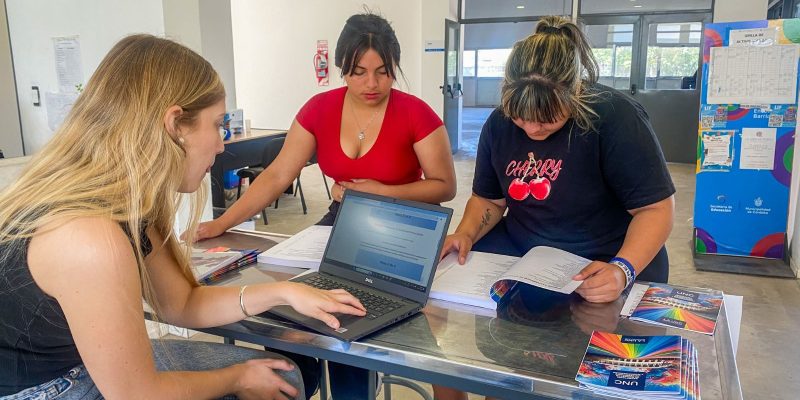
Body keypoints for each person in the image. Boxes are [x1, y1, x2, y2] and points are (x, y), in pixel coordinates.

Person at [0, 34, 367, 400]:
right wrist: (238, 379)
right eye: (217, 125)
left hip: (80, 366)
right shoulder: (88, 237)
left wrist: (284, 292)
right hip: (45, 389)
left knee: (284, 375)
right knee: (273, 381)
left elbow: (181, 303)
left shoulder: (127, 203)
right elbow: (136, 394)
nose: (223, 144)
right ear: (175, 124)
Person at [189, 12, 460, 400]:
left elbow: (445, 186)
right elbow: (278, 175)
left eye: (383, 72)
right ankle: (298, 382)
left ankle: (355, 387)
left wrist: (380, 192)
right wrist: (222, 222)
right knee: (290, 298)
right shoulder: (320, 109)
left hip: (404, 225)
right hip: (342, 220)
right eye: (358, 71)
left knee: (364, 312)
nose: (371, 83)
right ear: (341, 69)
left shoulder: (416, 113)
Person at [441, 15, 676, 305]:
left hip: (606, 254)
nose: (531, 129)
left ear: (575, 92)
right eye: (520, 118)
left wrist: (622, 269)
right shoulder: (498, 124)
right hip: (525, 251)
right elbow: (489, 200)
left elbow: (656, 209)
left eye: (546, 119)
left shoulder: (616, 117)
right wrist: (464, 233)